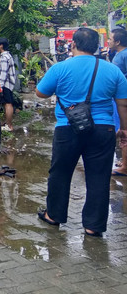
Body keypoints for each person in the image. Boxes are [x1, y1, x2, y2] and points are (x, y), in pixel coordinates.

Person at [36, 27, 127, 237]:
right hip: (103, 129)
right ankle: (93, 226)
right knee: (99, 176)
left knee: (60, 173)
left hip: (68, 128)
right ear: (97, 47)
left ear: (73, 44)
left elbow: (41, 93)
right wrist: (123, 129)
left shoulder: (60, 68)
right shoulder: (112, 70)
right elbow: (123, 103)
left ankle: (54, 215)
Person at [108, 28, 127, 176]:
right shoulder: (119, 55)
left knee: (123, 130)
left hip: (122, 98)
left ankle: (125, 167)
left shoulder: (123, 56)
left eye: (110, 38)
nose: (108, 41)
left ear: (118, 42)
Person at [0, 37, 17, 131]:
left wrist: (0, 86)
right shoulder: (9, 56)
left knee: (7, 104)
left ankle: (9, 125)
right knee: (7, 104)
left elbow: (3, 72)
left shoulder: (4, 57)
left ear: (1, 46)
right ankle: (8, 123)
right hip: (9, 84)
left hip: (5, 84)